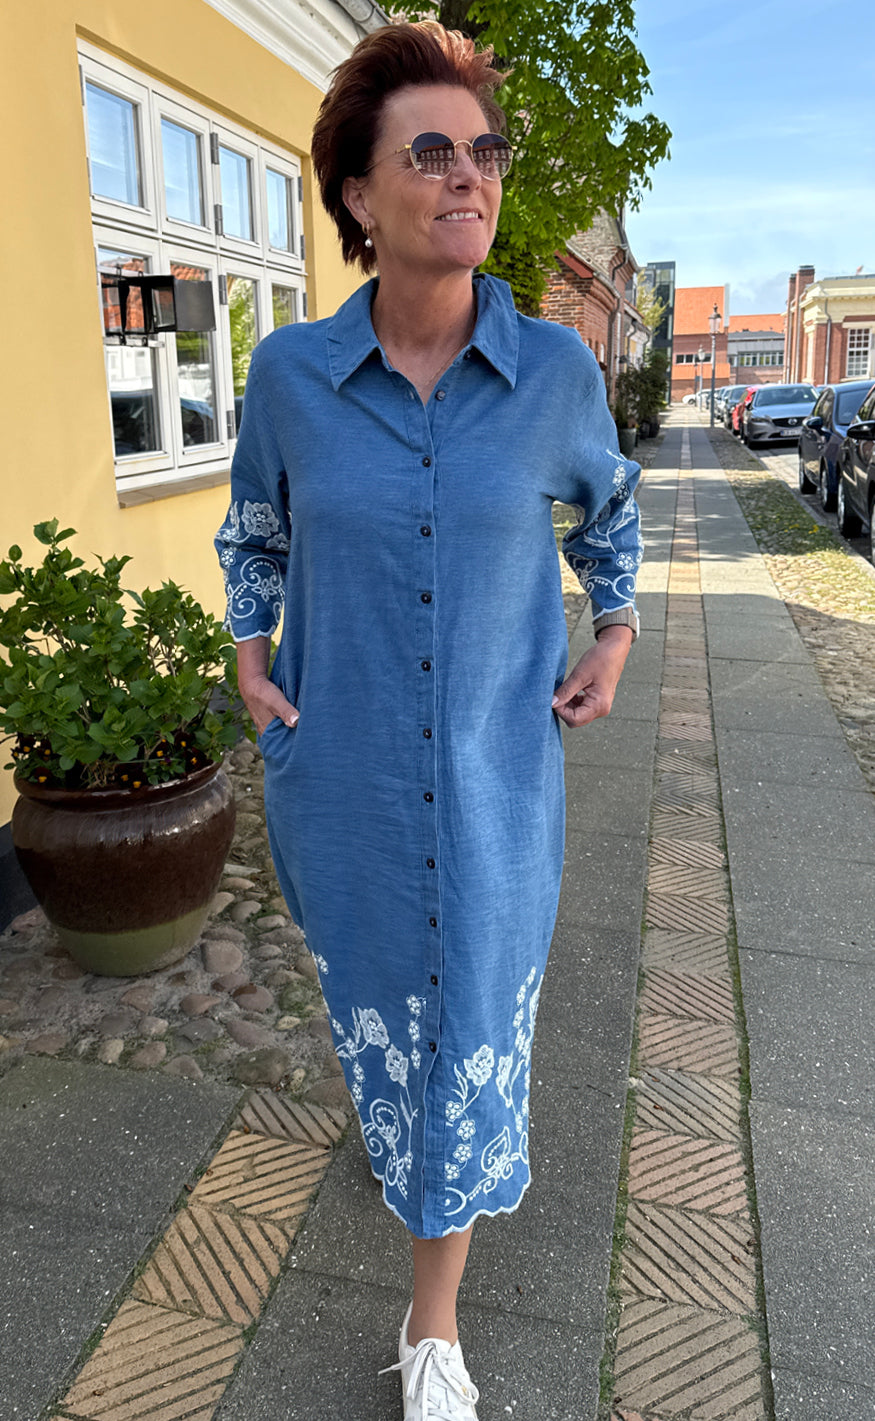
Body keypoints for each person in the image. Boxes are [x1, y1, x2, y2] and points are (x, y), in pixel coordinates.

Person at [215, 20, 642, 1420]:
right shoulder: (291, 377)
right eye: (435, 151)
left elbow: (613, 514)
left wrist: (616, 633)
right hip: (339, 777)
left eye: (487, 152)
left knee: (466, 1034)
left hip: (496, 783)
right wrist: (252, 660)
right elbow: (255, 528)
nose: (472, 176)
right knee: (383, 1013)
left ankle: (433, 1328)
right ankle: (402, 1142)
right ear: (358, 193)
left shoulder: (556, 375)